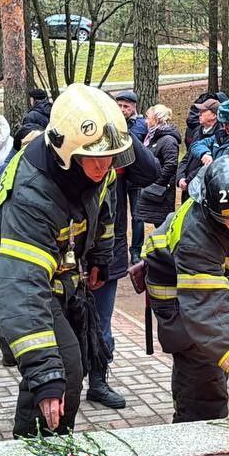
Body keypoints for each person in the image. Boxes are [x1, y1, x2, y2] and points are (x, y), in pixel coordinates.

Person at [0, 83, 126, 437]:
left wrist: (101, 257)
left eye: (111, 156)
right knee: (61, 366)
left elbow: (104, 212)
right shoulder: (33, 192)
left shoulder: (95, 162)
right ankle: (34, 451)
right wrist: (43, 371)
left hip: (59, 268)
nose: (105, 166)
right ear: (66, 150)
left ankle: (53, 441)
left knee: (73, 362)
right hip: (12, 273)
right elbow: (22, 287)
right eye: (96, 158)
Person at [139, 152, 229, 425]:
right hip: (175, 292)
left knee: (219, 346)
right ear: (210, 208)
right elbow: (207, 312)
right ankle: (195, 433)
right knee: (202, 371)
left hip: (209, 288)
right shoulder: (195, 233)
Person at [89, 114, 160, 410]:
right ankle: (63, 383)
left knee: (102, 324)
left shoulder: (117, 150)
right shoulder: (70, 149)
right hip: (69, 256)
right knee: (64, 324)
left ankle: (98, 382)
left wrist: (123, 133)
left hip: (110, 253)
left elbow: (150, 172)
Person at [112, 89, 148, 260]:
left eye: (125, 106)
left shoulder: (142, 125)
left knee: (137, 215)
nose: (122, 109)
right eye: (119, 105)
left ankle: (136, 251)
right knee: (118, 214)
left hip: (135, 177)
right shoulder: (112, 122)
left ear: (133, 107)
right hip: (118, 176)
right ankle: (119, 249)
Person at [133, 104, 181, 228]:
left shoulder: (168, 140)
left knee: (163, 225)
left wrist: (156, 183)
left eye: (148, 118)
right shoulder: (154, 137)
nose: (146, 121)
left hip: (161, 192)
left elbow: (171, 165)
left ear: (157, 119)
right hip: (154, 189)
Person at [177, 97, 219, 198]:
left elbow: (209, 164)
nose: (199, 114)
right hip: (187, 188)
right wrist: (180, 177)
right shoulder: (197, 131)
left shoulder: (219, 135)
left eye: (203, 111)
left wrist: (188, 180)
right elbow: (187, 157)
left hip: (203, 190)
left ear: (214, 115)